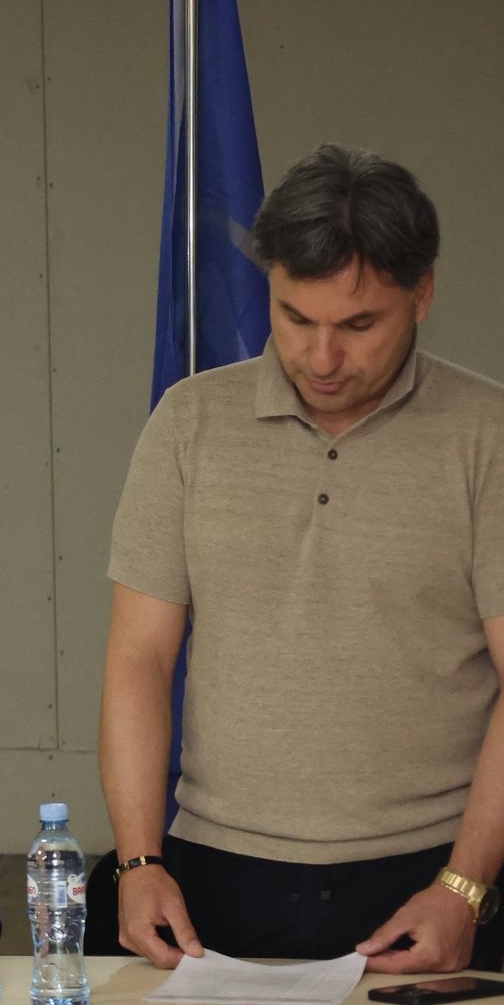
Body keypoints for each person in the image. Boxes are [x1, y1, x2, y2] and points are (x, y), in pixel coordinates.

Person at [101, 145, 504, 972]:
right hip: (214, 876)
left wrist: (464, 886)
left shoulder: (487, 437)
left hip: (432, 875)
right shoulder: (188, 424)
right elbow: (140, 659)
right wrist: (139, 862)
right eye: (295, 318)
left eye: (359, 325)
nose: (322, 359)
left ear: (421, 294)